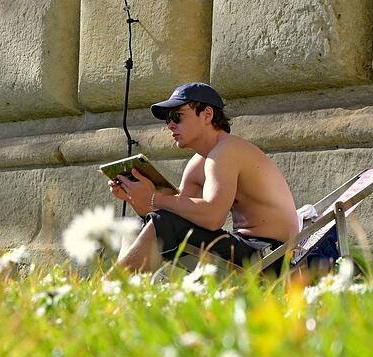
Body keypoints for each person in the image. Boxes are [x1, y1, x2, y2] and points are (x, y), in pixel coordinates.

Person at [110, 82, 299, 273]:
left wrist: (153, 197)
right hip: (246, 249)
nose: (170, 125)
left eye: (177, 116)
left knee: (165, 222)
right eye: (168, 119)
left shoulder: (227, 150)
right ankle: (121, 291)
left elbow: (212, 217)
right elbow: (174, 216)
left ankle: (111, 288)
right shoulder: (198, 163)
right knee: (137, 225)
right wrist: (136, 196)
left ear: (207, 114)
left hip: (271, 255)